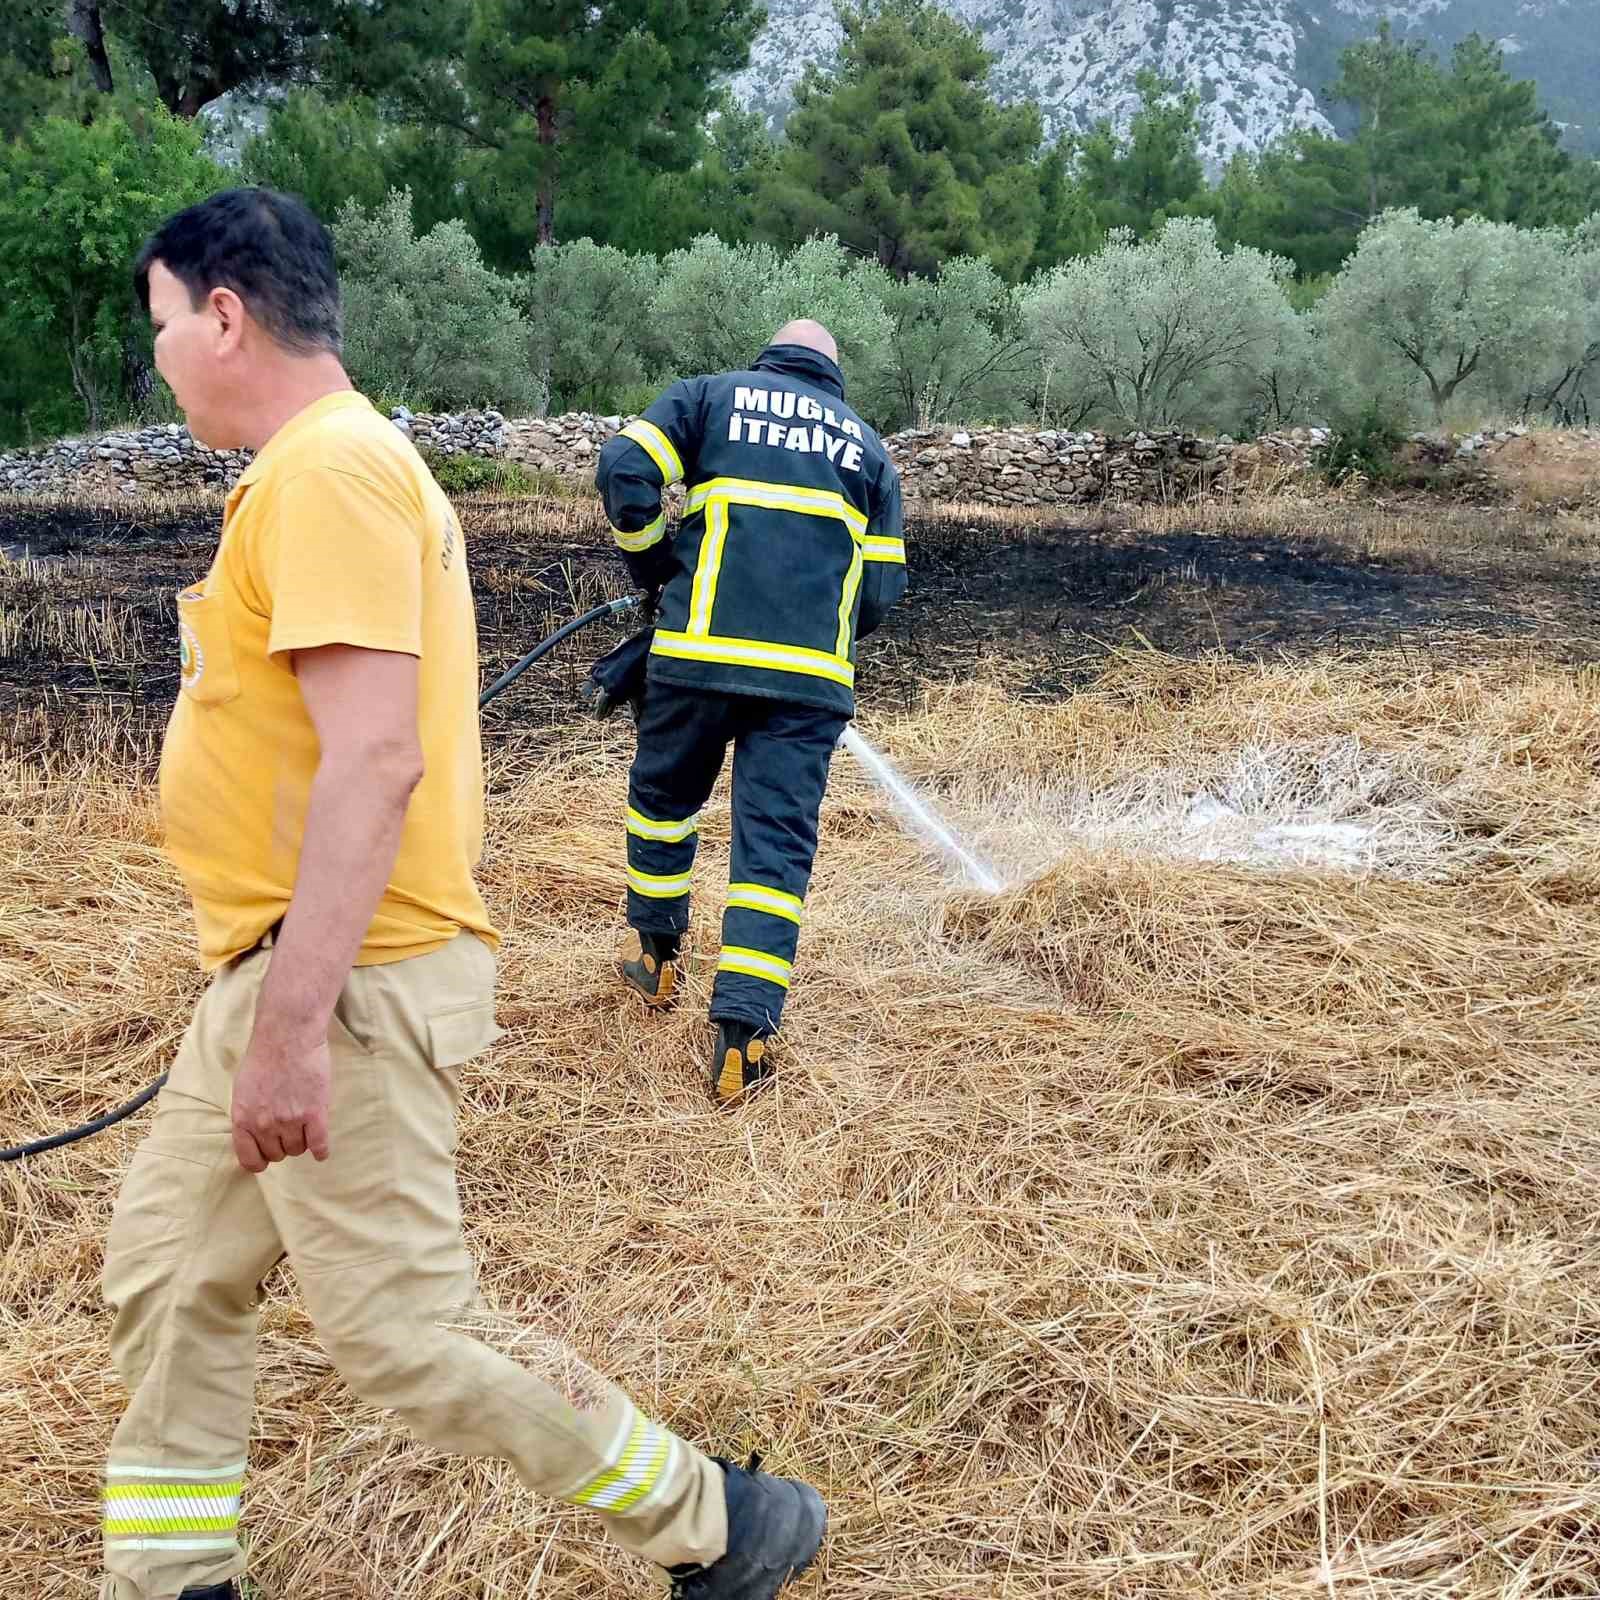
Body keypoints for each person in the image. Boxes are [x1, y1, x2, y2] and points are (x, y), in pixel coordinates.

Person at [100, 188, 824, 1600]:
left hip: (341, 982)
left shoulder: (331, 471)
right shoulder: (318, 471)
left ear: (228, 315)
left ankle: (720, 1525)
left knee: (407, 1338)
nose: (165, 355)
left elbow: (374, 763)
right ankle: (174, 1579)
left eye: (165, 324)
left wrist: (298, 1027)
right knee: (173, 1276)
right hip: (279, 973)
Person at [595, 321, 906, 1104]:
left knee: (664, 805)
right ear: (833, 375)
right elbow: (882, 591)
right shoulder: (868, 450)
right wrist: (809, 630)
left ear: (771, 357)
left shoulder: (708, 399)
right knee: (773, 856)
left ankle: (657, 962)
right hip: (807, 686)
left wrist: (655, 560)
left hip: (695, 661)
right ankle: (743, 1040)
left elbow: (624, 466)